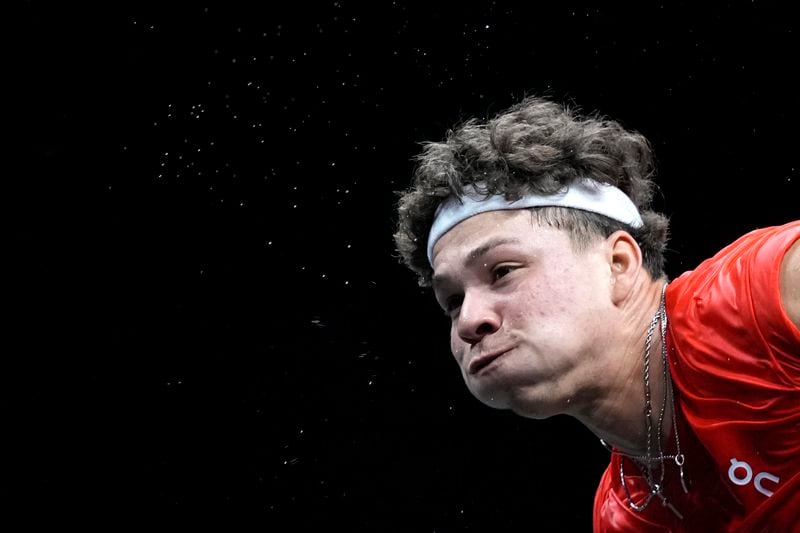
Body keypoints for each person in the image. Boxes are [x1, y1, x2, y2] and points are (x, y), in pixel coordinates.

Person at [392, 95, 800, 532]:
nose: (470, 320)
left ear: (618, 265)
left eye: (503, 271)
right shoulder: (624, 518)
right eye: (452, 301)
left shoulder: (763, 295)